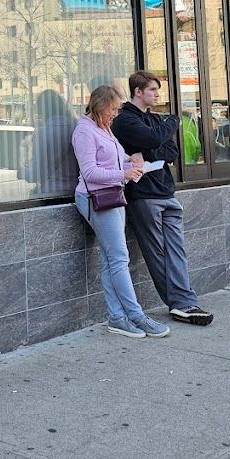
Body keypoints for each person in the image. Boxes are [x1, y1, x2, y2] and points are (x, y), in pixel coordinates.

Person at [112, 71, 214, 327]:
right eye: (153, 91)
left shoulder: (155, 119)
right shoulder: (125, 120)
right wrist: (172, 122)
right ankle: (179, 304)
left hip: (166, 191)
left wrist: (148, 152)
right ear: (138, 92)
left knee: (176, 249)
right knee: (157, 251)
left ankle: (186, 301)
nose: (158, 95)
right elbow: (158, 138)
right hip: (143, 194)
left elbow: (172, 150)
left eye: (158, 90)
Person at [72, 85, 171, 339]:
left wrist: (131, 161)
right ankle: (136, 315)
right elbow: (90, 173)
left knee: (110, 259)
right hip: (97, 198)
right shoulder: (84, 131)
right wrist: (123, 173)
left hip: (113, 196)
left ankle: (117, 318)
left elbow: (114, 157)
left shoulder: (103, 127)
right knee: (118, 258)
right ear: (100, 106)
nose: (115, 114)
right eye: (113, 109)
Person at [20, 90, 77, 198]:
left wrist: (21, 171)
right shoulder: (78, 126)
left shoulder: (41, 133)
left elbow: (36, 172)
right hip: (79, 193)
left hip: (52, 193)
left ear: (42, 110)